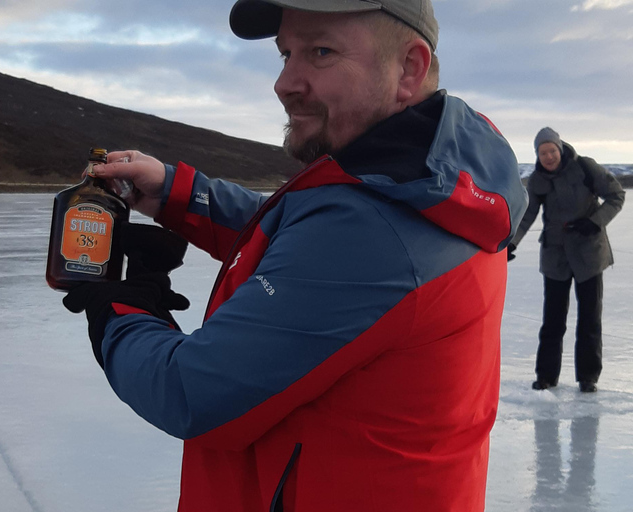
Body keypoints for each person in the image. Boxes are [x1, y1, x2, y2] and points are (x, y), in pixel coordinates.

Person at [62, 0, 527, 510]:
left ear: (408, 69)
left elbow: (192, 392)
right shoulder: (429, 182)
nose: (285, 82)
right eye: (286, 55)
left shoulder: (372, 230)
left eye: (321, 51)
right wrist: (177, 194)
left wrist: (118, 306)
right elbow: (308, 236)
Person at [508, 127, 625, 393]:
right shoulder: (537, 180)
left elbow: (616, 195)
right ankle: (546, 376)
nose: (549, 156)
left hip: (589, 255)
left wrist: (594, 222)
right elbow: (527, 215)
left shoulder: (585, 167)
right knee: (553, 320)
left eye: (552, 150)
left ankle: (588, 377)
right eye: (542, 152)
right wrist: (511, 242)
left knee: (589, 318)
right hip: (556, 257)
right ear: (537, 155)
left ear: (559, 149)